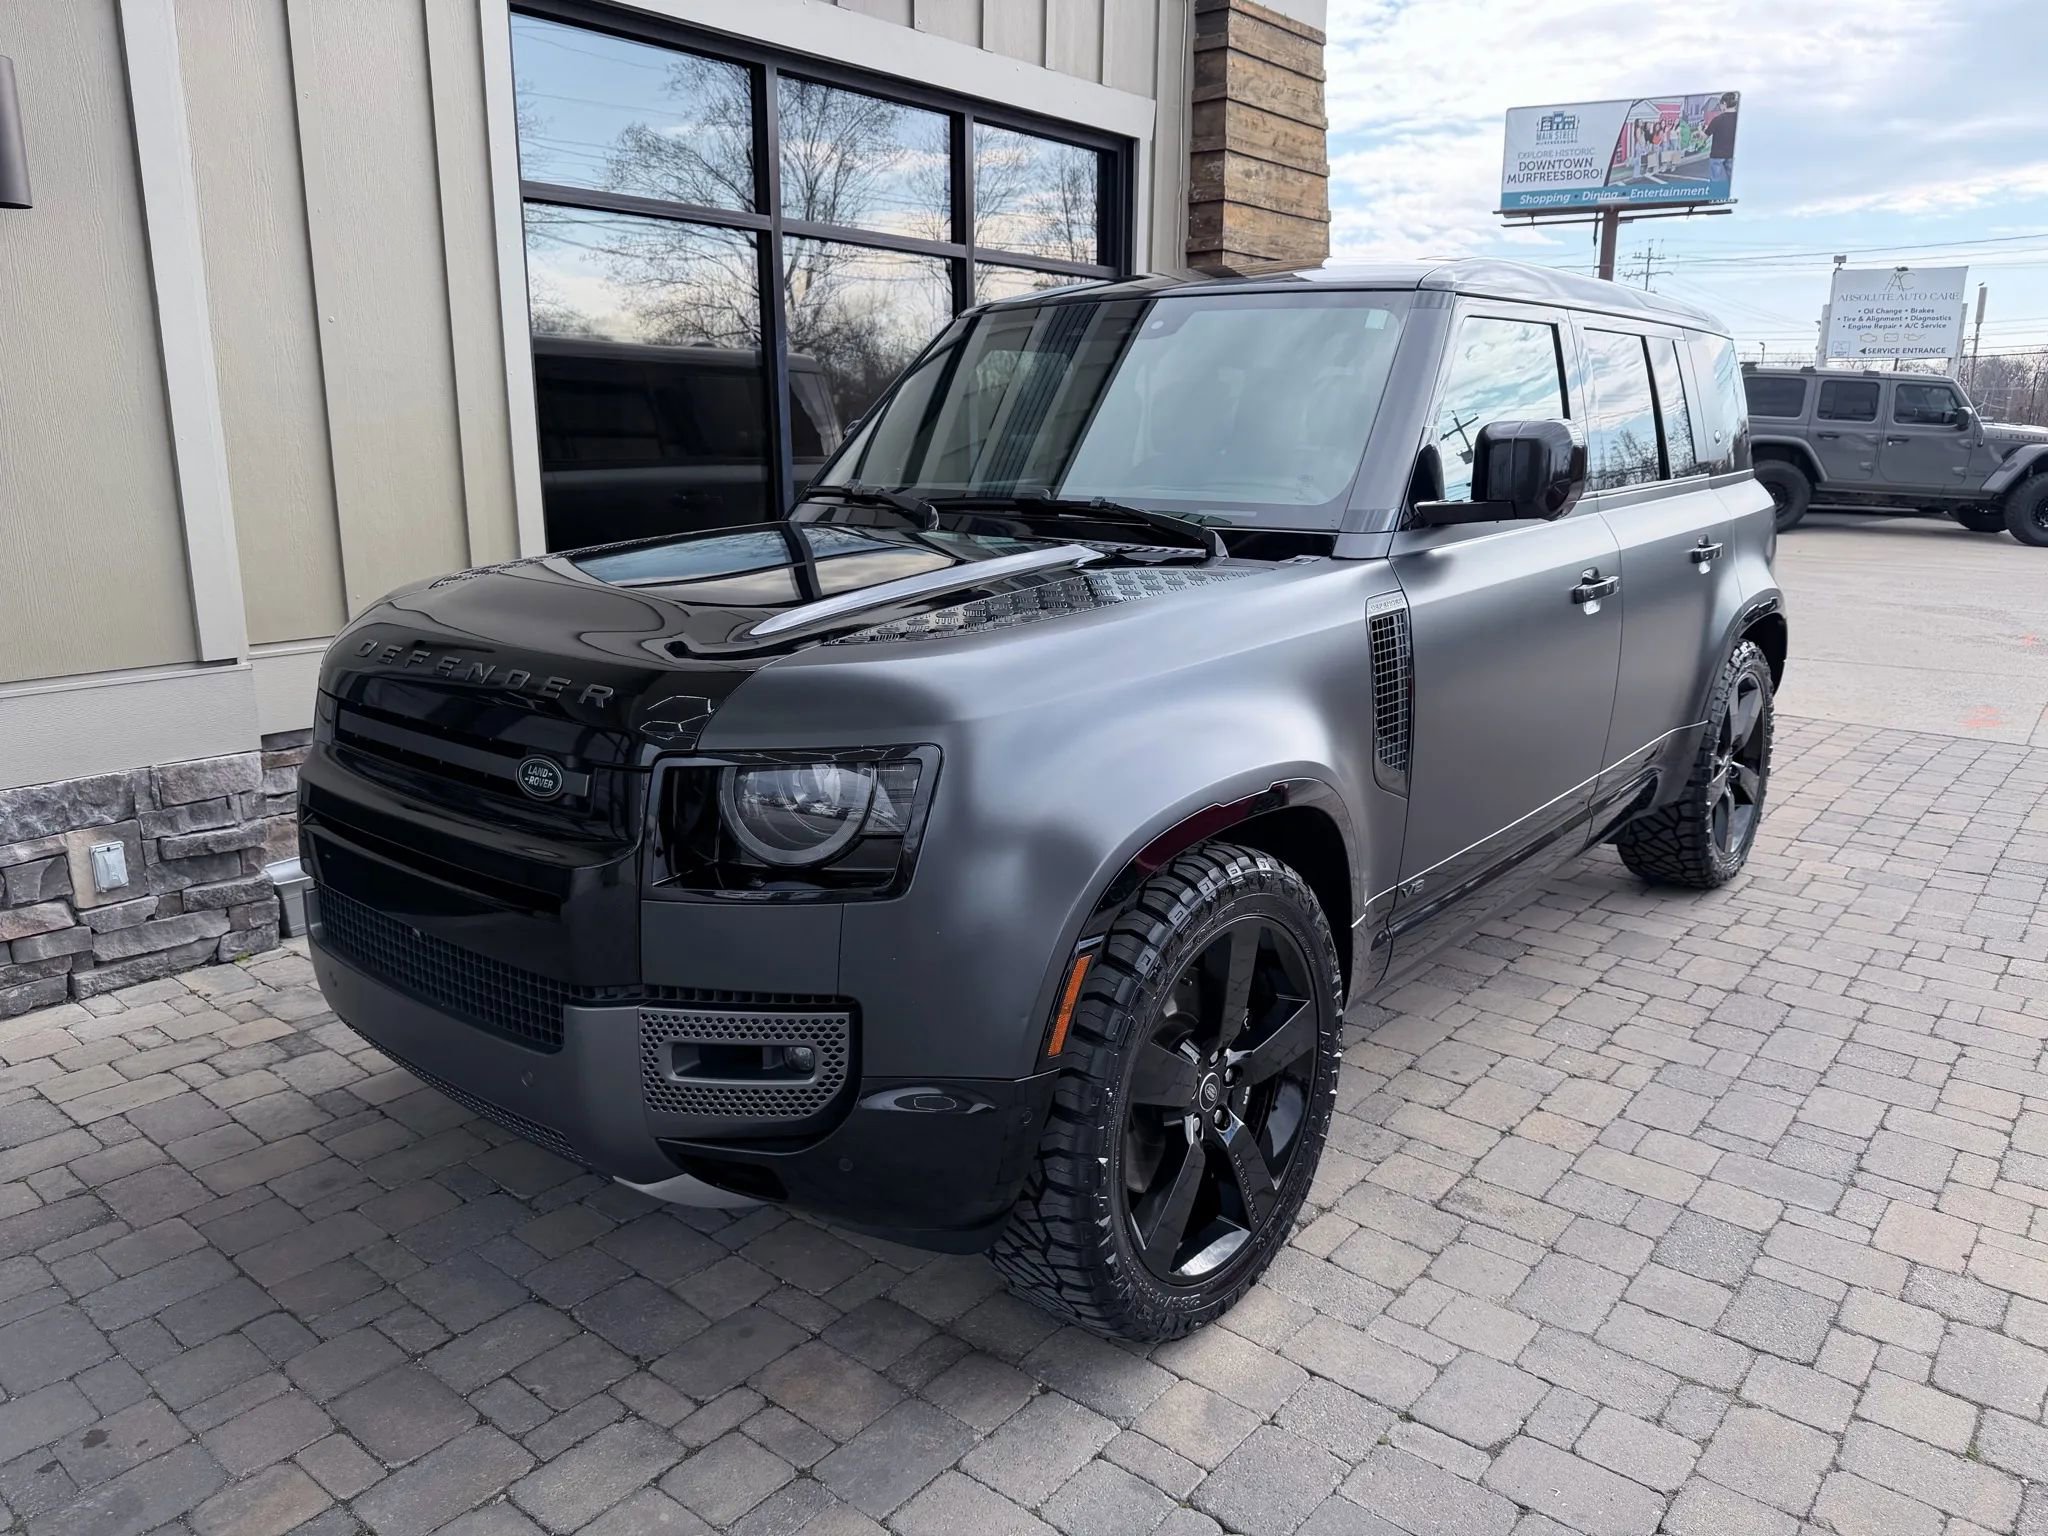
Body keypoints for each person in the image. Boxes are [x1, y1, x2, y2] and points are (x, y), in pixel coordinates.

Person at [1706, 93, 1739, 189]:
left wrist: (1699, 131)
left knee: (1717, 185)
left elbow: (1704, 136)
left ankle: (1717, 198)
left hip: (1717, 155)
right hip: (1732, 154)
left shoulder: (1717, 120)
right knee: (1731, 184)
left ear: (1724, 103)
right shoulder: (1739, 119)